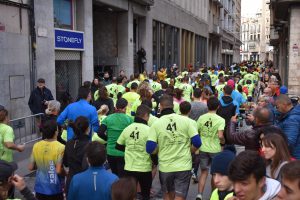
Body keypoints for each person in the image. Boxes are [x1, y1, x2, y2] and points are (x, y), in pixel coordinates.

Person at [146, 95, 201, 200]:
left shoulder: (156, 123)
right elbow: (197, 142)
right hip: (183, 165)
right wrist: (191, 150)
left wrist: (158, 150)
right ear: (173, 106)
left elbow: (149, 148)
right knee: (180, 196)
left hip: (165, 166)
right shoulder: (187, 121)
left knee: (167, 194)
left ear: (160, 106)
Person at [116, 105, 152, 200]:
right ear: (145, 115)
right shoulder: (149, 130)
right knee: (145, 195)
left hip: (129, 167)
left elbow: (118, 145)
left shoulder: (128, 128)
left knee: (129, 195)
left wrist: (129, 149)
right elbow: (152, 148)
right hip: (145, 168)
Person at [196, 97, 225, 200]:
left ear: (207, 106)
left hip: (203, 148)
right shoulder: (221, 120)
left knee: (203, 172)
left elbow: (197, 131)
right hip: (215, 149)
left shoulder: (201, 118)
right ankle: (213, 195)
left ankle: (199, 194)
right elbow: (220, 136)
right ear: (218, 106)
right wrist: (223, 143)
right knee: (214, 173)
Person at [28, 119, 65, 200]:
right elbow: (58, 170)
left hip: (39, 187)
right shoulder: (60, 147)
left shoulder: (36, 145)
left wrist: (42, 165)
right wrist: (66, 173)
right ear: (56, 132)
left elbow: (30, 167)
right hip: (54, 188)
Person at [98, 98, 133, 177]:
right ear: (125, 108)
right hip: (123, 152)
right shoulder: (129, 120)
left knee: (114, 174)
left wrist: (107, 138)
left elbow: (100, 132)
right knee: (123, 176)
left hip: (110, 152)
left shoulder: (108, 118)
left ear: (116, 107)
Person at [63, 116, 90, 194]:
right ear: (88, 128)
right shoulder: (89, 145)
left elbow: (66, 163)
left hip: (70, 181)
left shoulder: (69, 143)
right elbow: (86, 167)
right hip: (83, 183)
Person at [275, 94, 300, 159]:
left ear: (284, 104)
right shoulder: (289, 116)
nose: (277, 109)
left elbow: (289, 142)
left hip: (294, 156)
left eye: (277, 106)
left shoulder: (292, 119)